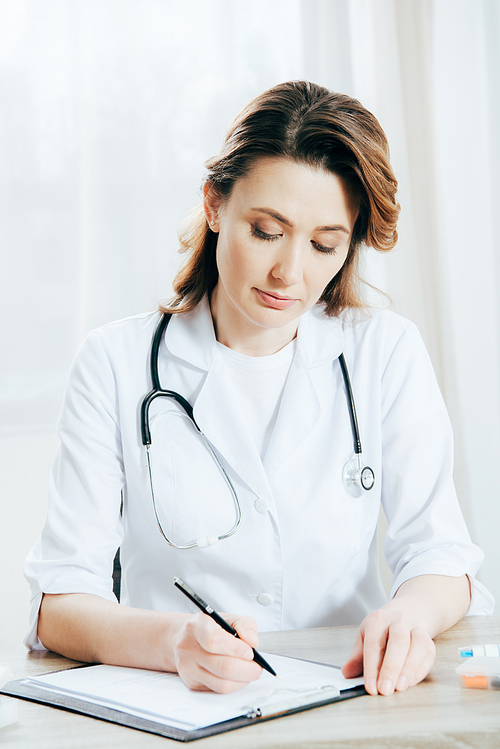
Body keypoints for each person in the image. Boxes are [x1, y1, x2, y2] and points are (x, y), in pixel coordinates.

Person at [25, 80, 494, 697]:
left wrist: (410, 616)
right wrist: (175, 643)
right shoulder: (116, 363)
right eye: (267, 231)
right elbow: (60, 603)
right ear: (215, 205)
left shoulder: (385, 353)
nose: (290, 273)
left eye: (325, 244)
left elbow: (441, 557)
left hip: (350, 696)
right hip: (182, 703)